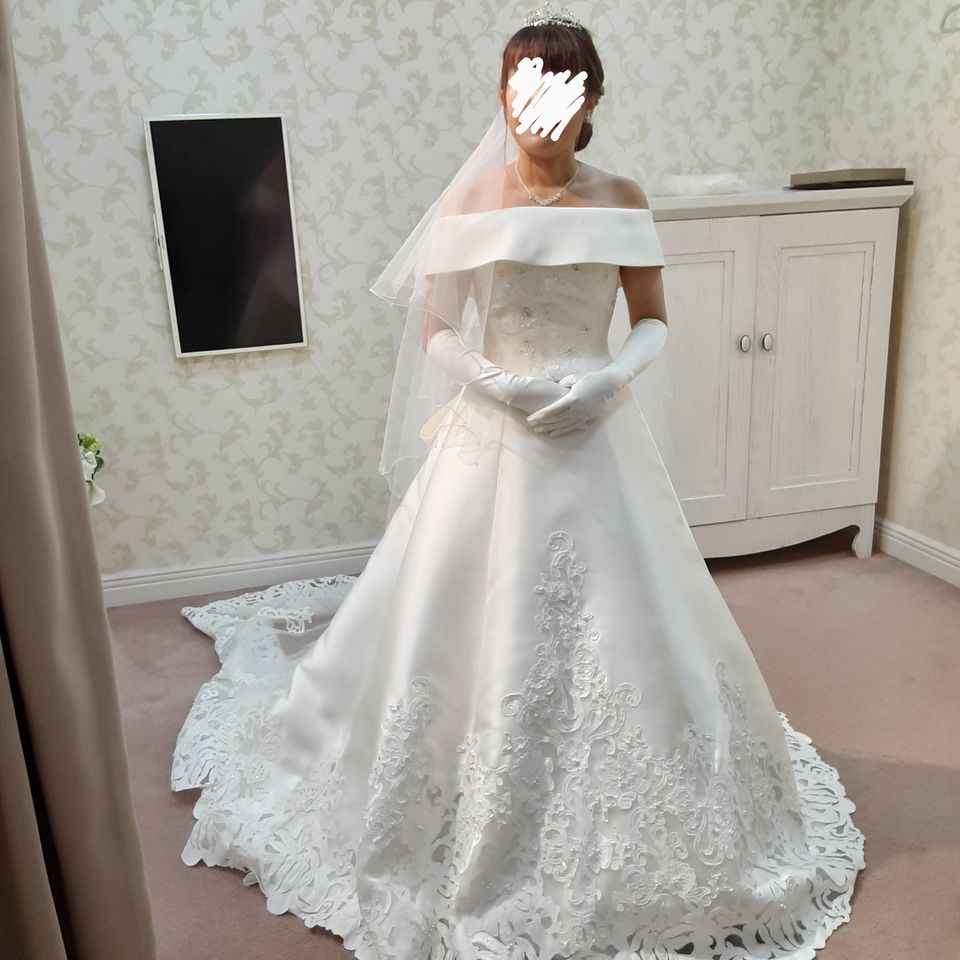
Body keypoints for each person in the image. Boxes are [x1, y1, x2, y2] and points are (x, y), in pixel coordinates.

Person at [171, 9, 865, 960]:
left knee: (638, 626)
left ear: (590, 100)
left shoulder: (622, 196)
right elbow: (437, 329)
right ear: (502, 98)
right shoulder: (471, 202)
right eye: (520, 88)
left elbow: (652, 318)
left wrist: (611, 377)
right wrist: (497, 382)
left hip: (597, 429)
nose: (537, 108)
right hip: (493, 432)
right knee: (449, 623)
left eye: (559, 90)